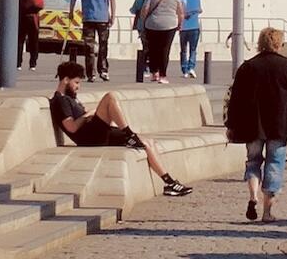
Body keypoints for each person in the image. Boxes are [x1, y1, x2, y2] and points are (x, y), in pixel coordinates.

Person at [48, 61, 191, 196]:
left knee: (148, 142)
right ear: (66, 80)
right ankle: (129, 135)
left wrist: (90, 115)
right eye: (76, 83)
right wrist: (87, 115)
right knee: (110, 97)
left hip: (94, 133)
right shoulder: (60, 100)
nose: (78, 87)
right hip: (89, 137)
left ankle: (169, 183)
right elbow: (71, 127)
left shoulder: (70, 98)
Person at [226, 26, 287, 222]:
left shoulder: (247, 66)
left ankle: (253, 196)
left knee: (253, 161)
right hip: (279, 122)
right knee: (275, 163)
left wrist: (231, 125)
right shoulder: (286, 65)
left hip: (252, 123)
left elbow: (235, 99)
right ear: (279, 44)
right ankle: (267, 212)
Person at [70, 0, 117, 80]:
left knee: (89, 47)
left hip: (88, 18)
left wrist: (71, 11)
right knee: (103, 45)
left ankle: (91, 74)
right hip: (103, 18)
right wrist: (113, 15)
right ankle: (104, 70)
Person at [128, 0, 156, 81]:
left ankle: (145, 67)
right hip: (153, 25)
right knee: (153, 47)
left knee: (145, 47)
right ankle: (151, 67)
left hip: (142, 26)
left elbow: (133, 10)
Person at [16, 0, 45, 71]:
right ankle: (33, 64)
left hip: (22, 17)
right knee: (34, 41)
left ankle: (18, 64)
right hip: (34, 18)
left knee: (20, 40)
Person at [178, 0, 203, 79]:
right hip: (194, 27)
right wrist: (193, 12)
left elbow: (178, 12)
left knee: (183, 50)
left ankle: (184, 70)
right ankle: (191, 67)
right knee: (193, 49)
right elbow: (200, 9)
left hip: (183, 27)